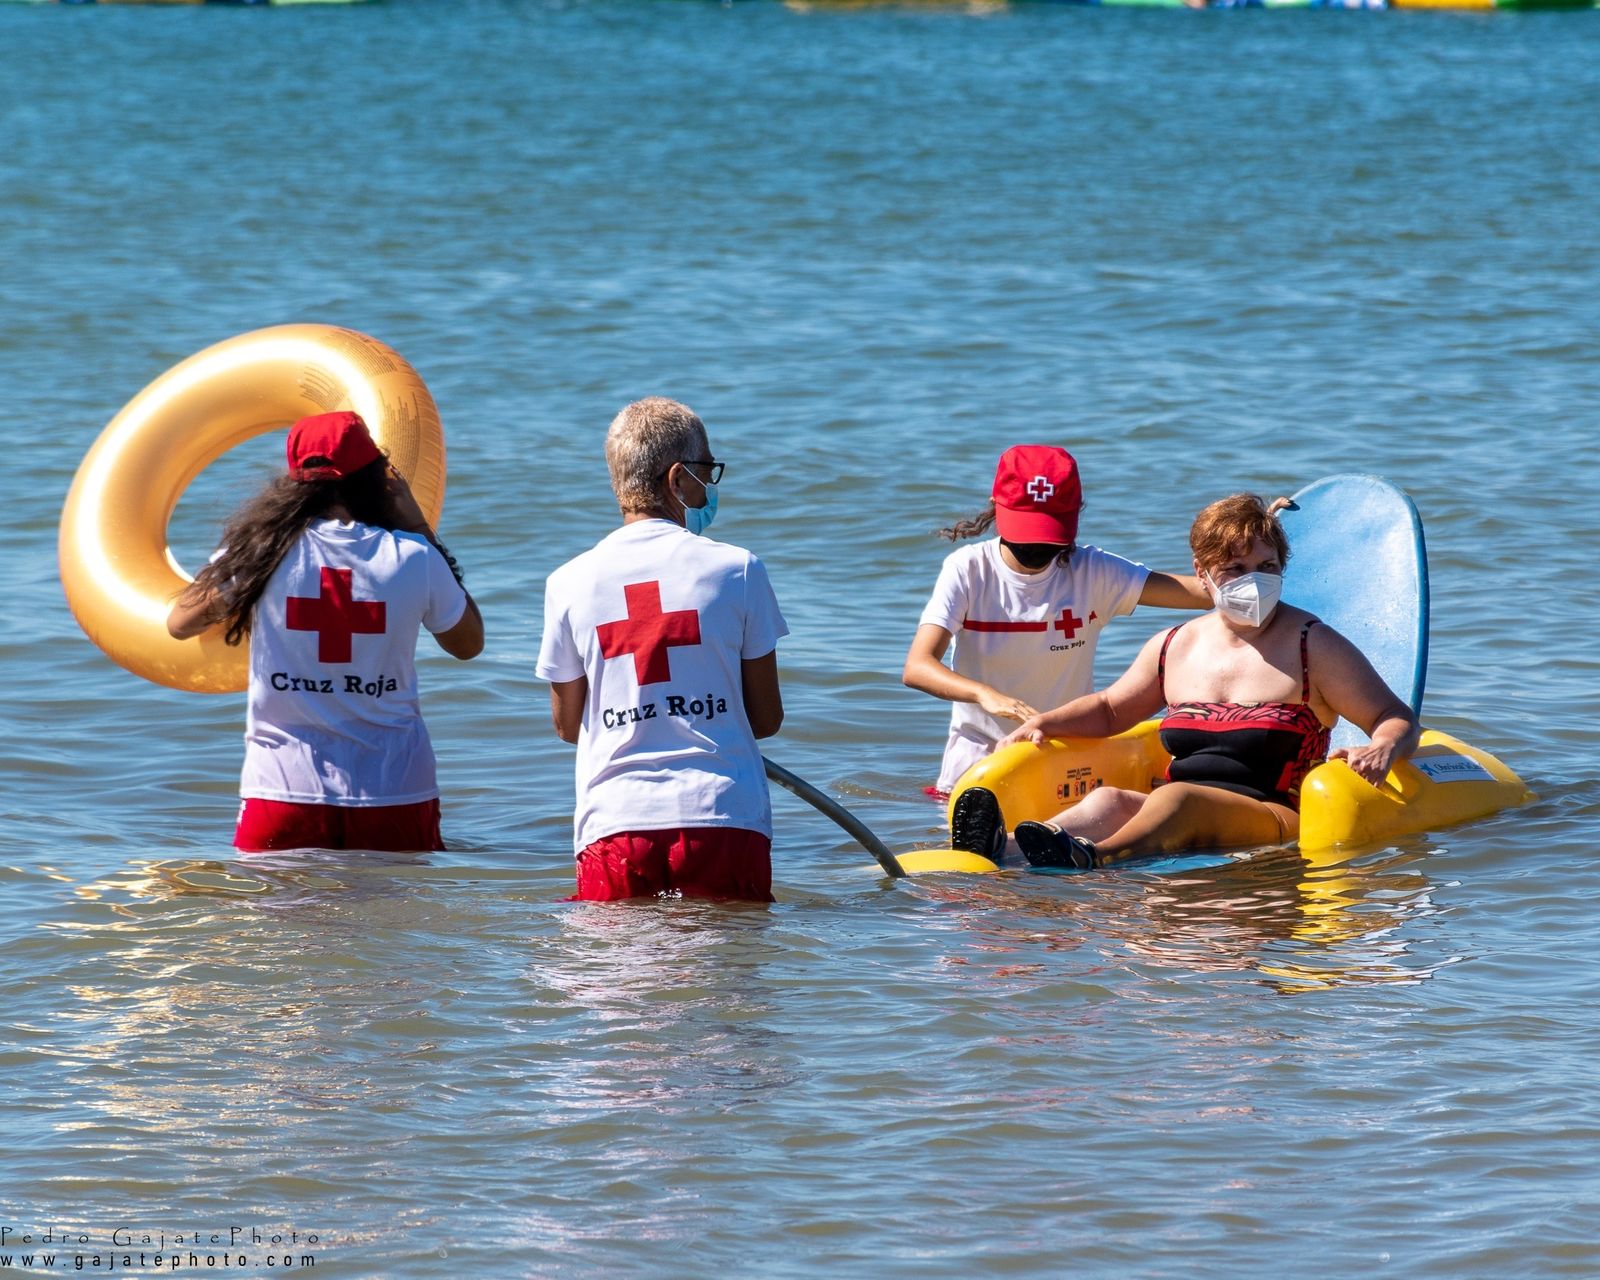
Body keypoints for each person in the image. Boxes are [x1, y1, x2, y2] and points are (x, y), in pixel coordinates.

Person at [950, 493, 1421, 868]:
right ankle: (1003, 848)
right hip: (1173, 809)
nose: (1252, 580)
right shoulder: (1174, 645)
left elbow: (1393, 715)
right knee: (1112, 800)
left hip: (1275, 813)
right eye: (1235, 569)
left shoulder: (1313, 645)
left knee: (1176, 797)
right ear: (1203, 574)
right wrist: (1046, 725)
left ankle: (1095, 858)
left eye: (1267, 567)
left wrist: (1380, 746)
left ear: (1283, 567)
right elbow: (1113, 709)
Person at [167, 411, 484, 853]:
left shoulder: (260, 554)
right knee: (399, 922)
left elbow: (179, 623)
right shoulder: (411, 555)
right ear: (375, 476)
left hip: (282, 791)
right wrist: (417, 525)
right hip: (394, 791)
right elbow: (468, 645)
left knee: (282, 922)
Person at [536, 397, 787, 902]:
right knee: (726, 976)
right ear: (677, 479)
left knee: (617, 978)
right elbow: (765, 719)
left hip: (614, 824)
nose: (710, 487)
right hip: (723, 817)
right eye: (706, 472)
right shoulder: (738, 569)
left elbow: (568, 726)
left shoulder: (567, 582)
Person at [903, 444, 1210, 797]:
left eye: (1046, 534)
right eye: (1025, 531)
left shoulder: (1094, 572)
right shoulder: (969, 569)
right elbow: (917, 666)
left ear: (1075, 515)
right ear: (995, 504)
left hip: (1065, 762)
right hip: (977, 765)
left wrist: (1254, 541)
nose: (1035, 547)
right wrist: (985, 695)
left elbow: (1207, 592)